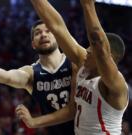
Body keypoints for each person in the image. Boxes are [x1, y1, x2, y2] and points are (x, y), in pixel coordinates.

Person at [16, 0, 129, 134]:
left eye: (91, 48)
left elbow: (99, 45)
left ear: (109, 58)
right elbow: (57, 27)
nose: (87, 50)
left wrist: (88, 5)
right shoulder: (84, 66)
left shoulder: (116, 84)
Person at [0, 20, 75, 135]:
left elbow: (73, 109)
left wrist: (34, 122)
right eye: (38, 33)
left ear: (58, 38)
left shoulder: (74, 62)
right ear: (33, 44)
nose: (43, 34)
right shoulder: (31, 73)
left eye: (48, 31)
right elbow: (7, 77)